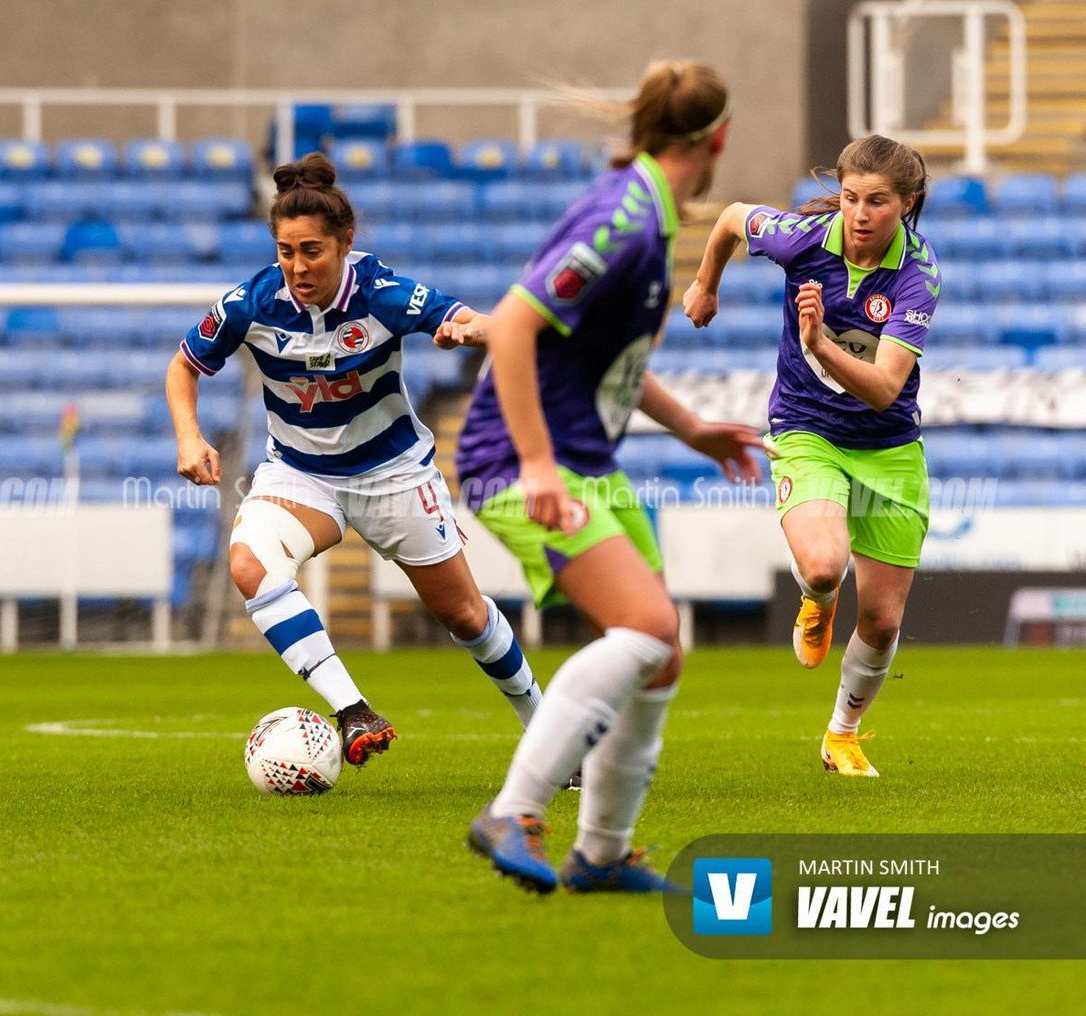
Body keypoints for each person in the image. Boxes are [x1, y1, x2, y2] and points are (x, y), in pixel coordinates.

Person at [449, 60, 761, 894]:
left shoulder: (650, 213)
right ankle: (514, 810)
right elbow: (513, 326)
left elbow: (594, 356)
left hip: (587, 456)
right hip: (521, 458)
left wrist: (690, 425)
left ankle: (603, 853)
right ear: (719, 137)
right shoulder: (625, 219)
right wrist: (539, 463)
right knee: (649, 623)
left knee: (660, 655)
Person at [165, 152, 543, 769]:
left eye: (311, 251)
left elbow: (473, 320)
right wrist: (189, 436)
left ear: (345, 242)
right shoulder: (251, 303)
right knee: (250, 566)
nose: (297, 267)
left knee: (465, 615)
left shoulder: (383, 293)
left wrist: (465, 332)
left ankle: (546, 729)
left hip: (393, 473)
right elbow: (183, 365)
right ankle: (353, 711)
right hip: (299, 474)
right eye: (286, 252)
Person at [683, 134, 939, 779]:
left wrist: (820, 344)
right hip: (806, 431)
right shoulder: (802, 237)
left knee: (881, 621)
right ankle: (817, 598)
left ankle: (842, 736)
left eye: (877, 202)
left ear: (905, 205)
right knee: (825, 568)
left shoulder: (916, 276)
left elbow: (883, 391)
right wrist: (704, 285)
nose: (859, 214)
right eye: (851, 197)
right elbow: (732, 217)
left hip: (888, 447)